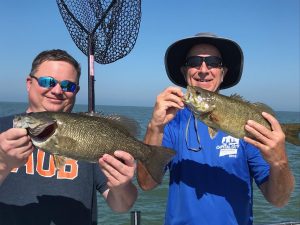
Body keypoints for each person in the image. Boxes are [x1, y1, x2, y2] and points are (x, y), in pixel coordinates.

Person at [137, 33, 295, 225]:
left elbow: (279, 200)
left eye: (213, 62)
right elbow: (146, 183)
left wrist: (280, 161)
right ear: (184, 71)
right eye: (195, 62)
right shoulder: (171, 123)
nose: (203, 69)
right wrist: (155, 126)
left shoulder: (251, 129)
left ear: (223, 73)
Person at [0, 49, 137, 225]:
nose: (57, 90)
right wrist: (3, 164)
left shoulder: (94, 134)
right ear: (29, 83)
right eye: (47, 81)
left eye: (68, 86)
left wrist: (122, 186)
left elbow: (121, 206)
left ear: (76, 91)